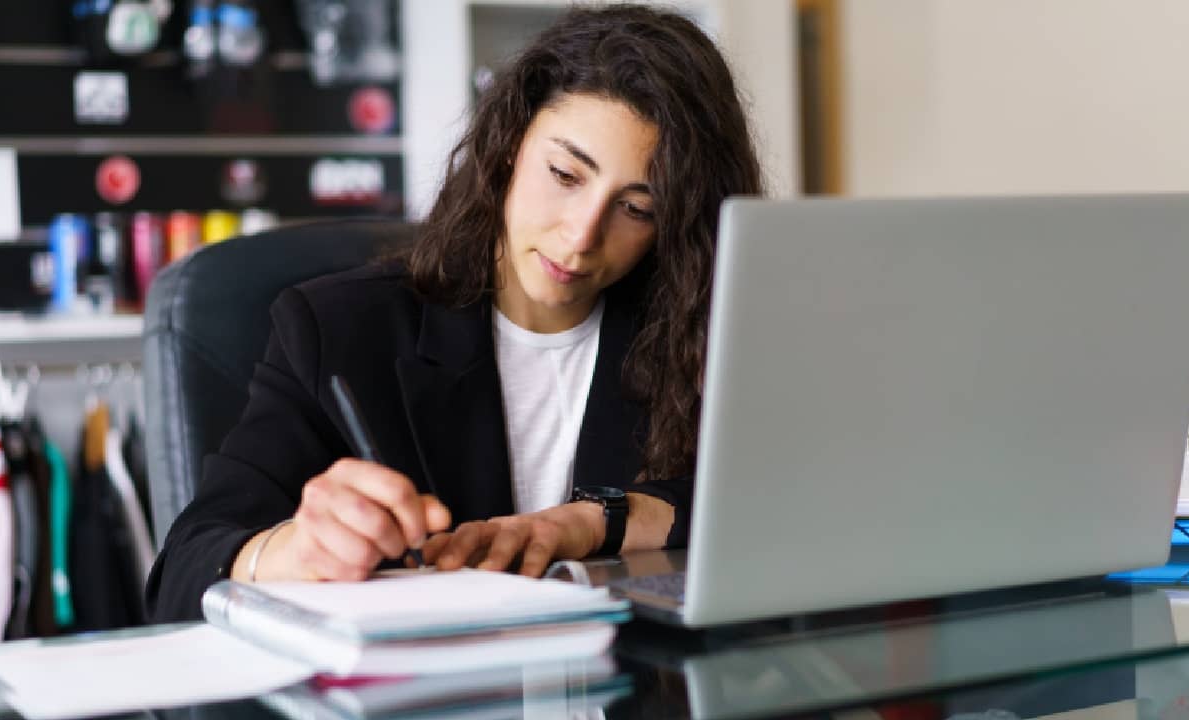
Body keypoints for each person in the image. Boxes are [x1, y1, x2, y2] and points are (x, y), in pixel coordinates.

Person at [146, 3, 764, 622]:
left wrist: (594, 522)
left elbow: (766, 506)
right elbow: (182, 572)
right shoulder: (335, 330)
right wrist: (292, 552)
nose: (581, 236)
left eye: (636, 208)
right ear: (508, 147)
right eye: (564, 174)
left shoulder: (699, 335)